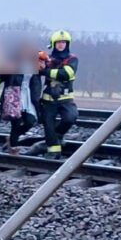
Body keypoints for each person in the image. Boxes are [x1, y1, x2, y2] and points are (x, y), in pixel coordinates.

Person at [40, 30, 79, 159]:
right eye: (58, 42)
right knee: (48, 124)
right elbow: (37, 69)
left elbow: (66, 74)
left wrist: (47, 71)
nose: (61, 44)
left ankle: (59, 136)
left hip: (65, 98)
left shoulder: (72, 59)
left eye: (63, 42)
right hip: (48, 99)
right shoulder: (47, 59)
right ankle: (53, 151)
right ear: (53, 44)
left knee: (70, 117)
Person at [6, 50, 44, 152]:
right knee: (16, 123)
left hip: (28, 96)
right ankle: (13, 148)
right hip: (15, 95)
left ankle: (12, 138)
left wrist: (43, 63)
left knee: (30, 121)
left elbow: (45, 69)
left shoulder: (35, 66)